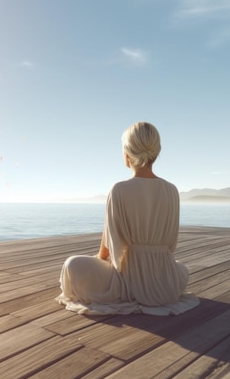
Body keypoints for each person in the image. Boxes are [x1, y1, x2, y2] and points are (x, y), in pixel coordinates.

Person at [56, 122, 200, 316]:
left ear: (127, 155)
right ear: (155, 154)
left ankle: (129, 292)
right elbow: (170, 247)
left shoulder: (119, 190)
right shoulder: (172, 190)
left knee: (72, 265)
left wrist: (98, 261)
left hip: (127, 281)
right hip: (165, 285)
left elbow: (108, 248)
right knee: (181, 269)